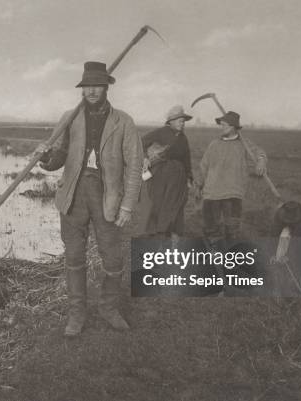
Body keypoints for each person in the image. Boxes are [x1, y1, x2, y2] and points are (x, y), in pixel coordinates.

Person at [36, 61, 143, 337]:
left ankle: (109, 308)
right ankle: (77, 314)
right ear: (82, 89)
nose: (92, 91)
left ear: (106, 87)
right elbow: (57, 157)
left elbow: (134, 166)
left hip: (108, 197)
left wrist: (128, 205)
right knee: (73, 256)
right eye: (87, 86)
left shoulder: (124, 121)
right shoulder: (69, 118)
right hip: (73, 195)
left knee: (113, 259)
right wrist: (45, 157)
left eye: (97, 86)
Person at [196, 111, 267, 249]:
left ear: (234, 127)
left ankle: (231, 261)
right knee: (211, 231)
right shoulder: (214, 144)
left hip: (233, 194)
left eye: (225, 125)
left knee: (232, 231)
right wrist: (199, 186)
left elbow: (259, 152)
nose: (221, 127)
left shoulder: (244, 144)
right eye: (221, 125)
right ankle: (215, 260)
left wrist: (261, 161)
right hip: (212, 194)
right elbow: (203, 167)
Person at [141, 105, 193, 242]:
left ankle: (171, 232)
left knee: (176, 203)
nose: (182, 124)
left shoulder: (183, 138)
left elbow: (186, 158)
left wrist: (189, 177)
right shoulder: (160, 132)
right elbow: (141, 142)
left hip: (178, 175)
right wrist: (145, 157)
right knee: (158, 201)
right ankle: (156, 232)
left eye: (183, 121)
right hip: (161, 173)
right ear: (171, 121)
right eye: (180, 121)